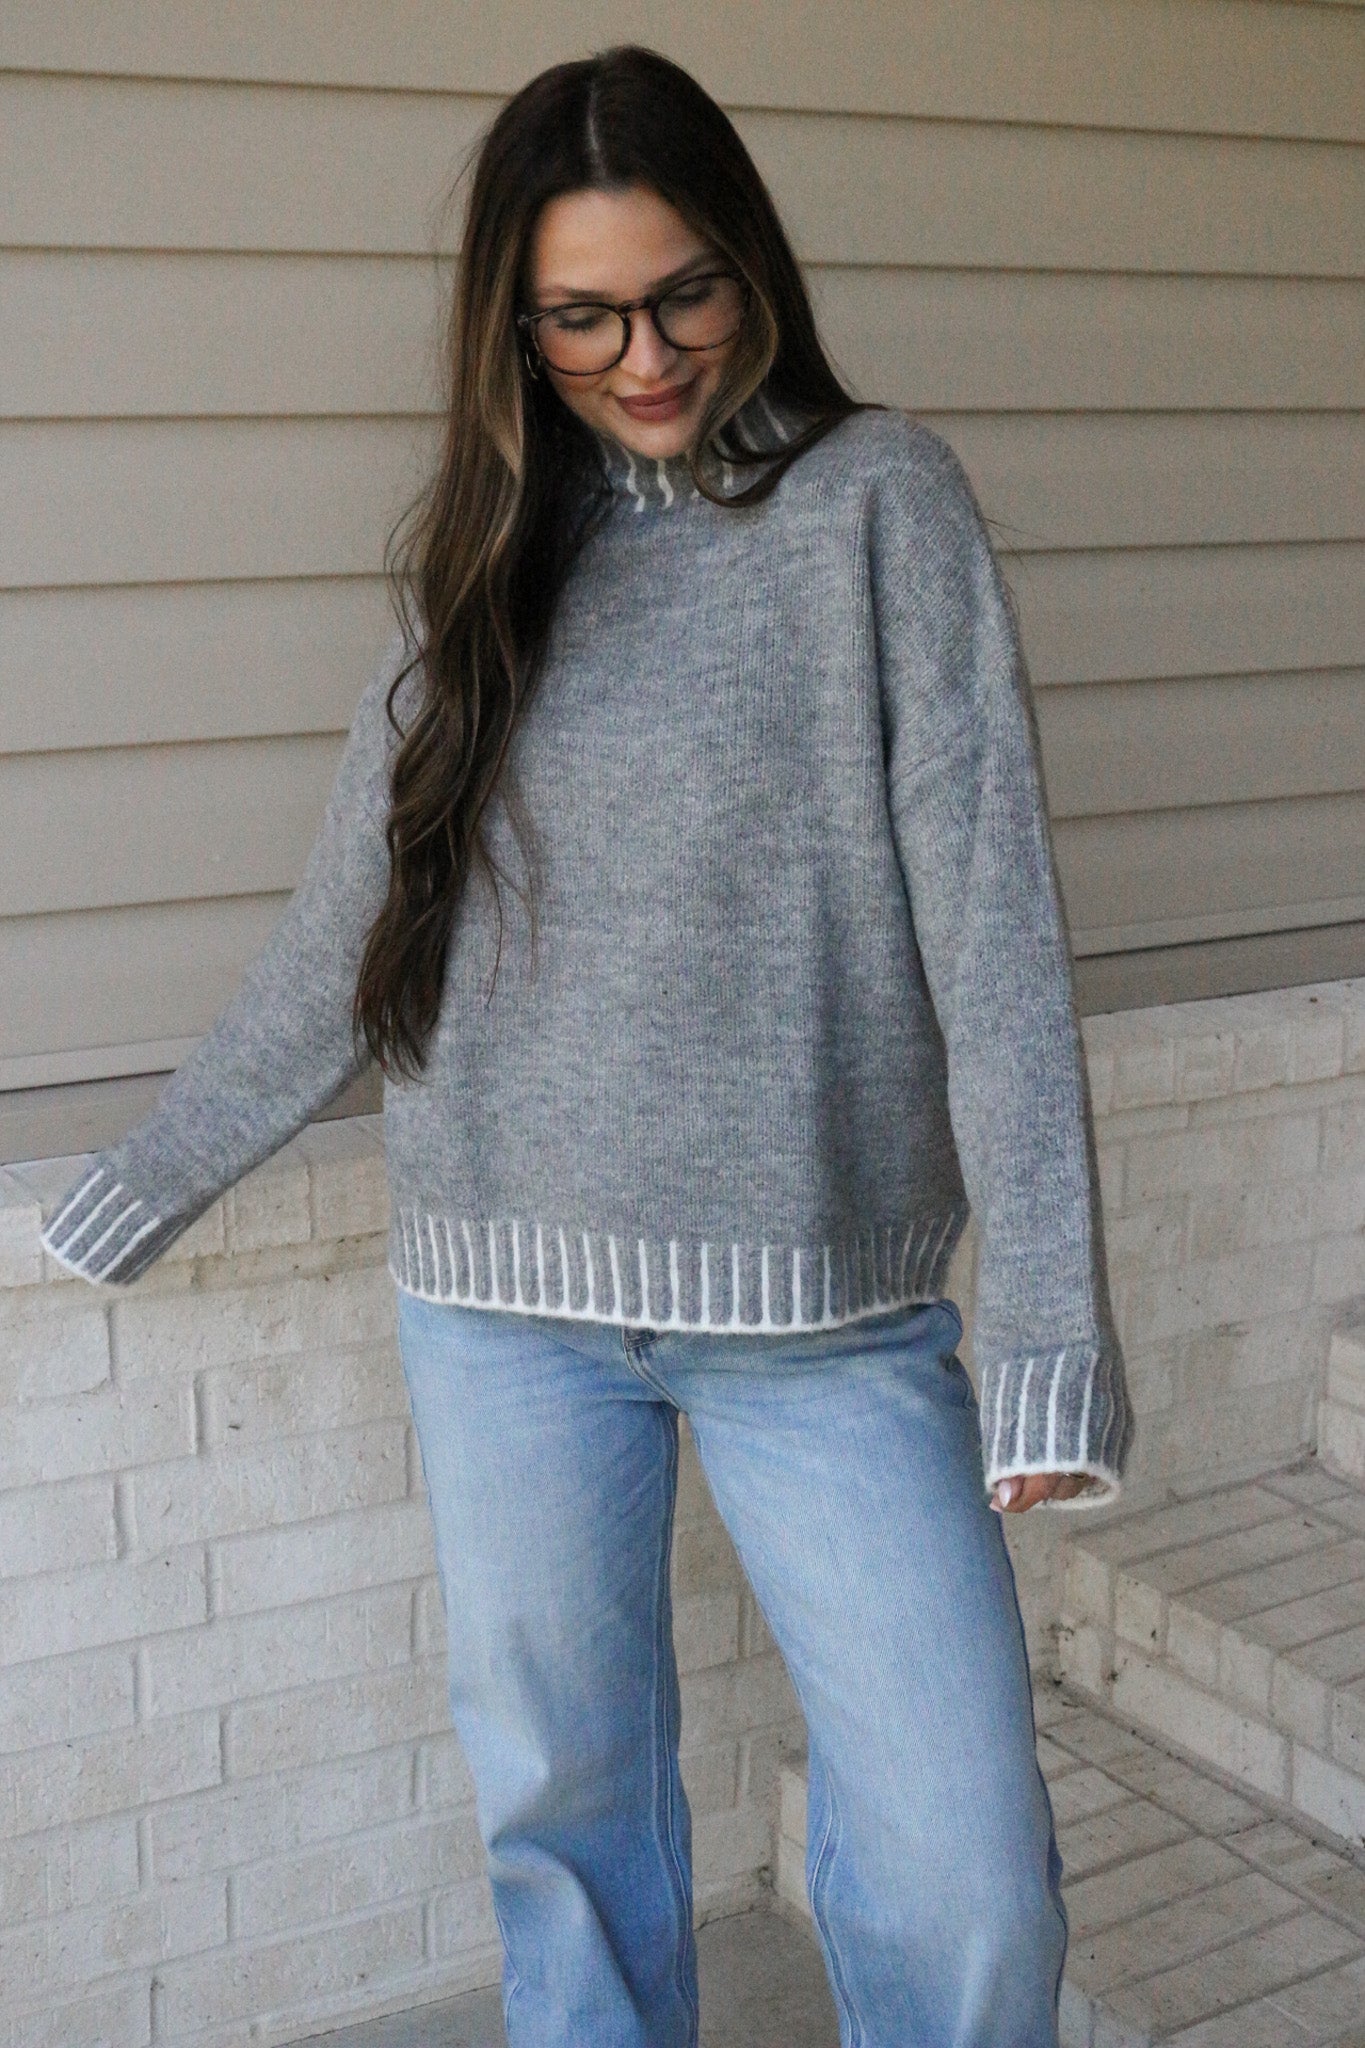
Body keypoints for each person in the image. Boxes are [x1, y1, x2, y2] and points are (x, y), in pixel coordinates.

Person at [42, 45, 1134, 2048]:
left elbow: (989, 929)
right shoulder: (485, 559)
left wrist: (1049, 1328)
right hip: (501, 1307)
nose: (644, 356)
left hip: (821, 1318)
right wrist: (152, 1173)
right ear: (512, 323)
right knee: (563, 1822)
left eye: (683, 292)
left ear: (750, 264)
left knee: (965, 1869)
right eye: (580, 317)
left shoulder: (877, 503)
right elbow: (357, 923)